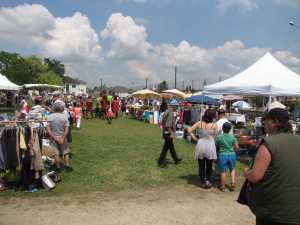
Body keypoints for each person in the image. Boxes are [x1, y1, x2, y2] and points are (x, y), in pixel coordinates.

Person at [244, 108, 300, 225]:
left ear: (276, 122)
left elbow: (255, 176)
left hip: (273, 211)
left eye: (266, 120)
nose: (264, 122)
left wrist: (246, 172)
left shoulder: (268, 143)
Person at [188, 109, 218, 188]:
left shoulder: (199, 123)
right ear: (212, 116)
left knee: (201, 164)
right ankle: (207, 180)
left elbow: (189, 130)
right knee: (209, 164)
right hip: (210, 144)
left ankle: (202, 181)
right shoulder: (214, 125)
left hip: (201, 143)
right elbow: (215, 136)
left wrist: (195, 139)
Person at [46, 101, 73, 172]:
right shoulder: (64, 117)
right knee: (65, 152)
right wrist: (63, 138)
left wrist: (54, 137)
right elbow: (67, 129)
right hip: (62, 137)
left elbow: (48, 129)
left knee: (56, 153)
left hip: (53, 138)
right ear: (61, 109)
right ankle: (67, 166)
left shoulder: (49, 117)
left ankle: (57, 168)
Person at [157, 100, 182, 168]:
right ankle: (160, 162)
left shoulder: (166, 111)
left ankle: (176, 159)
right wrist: (172, 134)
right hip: (168, 133)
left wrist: (175, 117)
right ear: (173, 106)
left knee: (171, 147)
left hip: (165, 132)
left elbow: (163, 122)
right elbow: (168, 125)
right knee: (165, 149)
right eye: (176, 106)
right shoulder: (170, 113)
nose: (177, 107)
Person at [215, 122, 239, 192]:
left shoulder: (219, 137)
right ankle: (233, 184)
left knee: (223, 171)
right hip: (232, 154)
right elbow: (237, 147)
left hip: (222, 155)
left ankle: (223, 186)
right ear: (230, 129)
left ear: (222, 128)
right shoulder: (233, 137)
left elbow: (216, 146)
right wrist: (233, 151)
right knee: (232, 169)